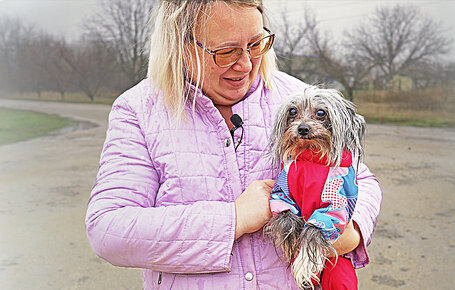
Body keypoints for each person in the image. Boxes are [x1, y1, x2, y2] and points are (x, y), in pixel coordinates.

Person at [85, 0, 382, 289]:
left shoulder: (296, 97)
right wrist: (234, 218)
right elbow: (109, 229)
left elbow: (359, 177)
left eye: (255, 44)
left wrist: (352, 231)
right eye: (226, 51)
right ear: (180, 45)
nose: (246, 63)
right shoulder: (139, 110)